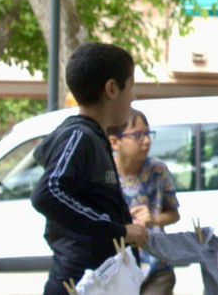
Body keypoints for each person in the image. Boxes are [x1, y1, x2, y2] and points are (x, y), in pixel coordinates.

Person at [31, 42, 146, 295]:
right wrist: (119, 231)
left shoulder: (92, 136)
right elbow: (47, 192)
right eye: (132, 85)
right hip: (78, 282)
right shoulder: (78, 136)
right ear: (112, 88)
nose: (134, 96)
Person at [109, 109, 181, 295]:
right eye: (138, 135)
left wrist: (154, 220)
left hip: (157, 268)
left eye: (148, 134)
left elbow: (174, 214)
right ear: (114, 141)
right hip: (117, 269)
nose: (147, 140)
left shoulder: (158, 169)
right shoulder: (105, 175)